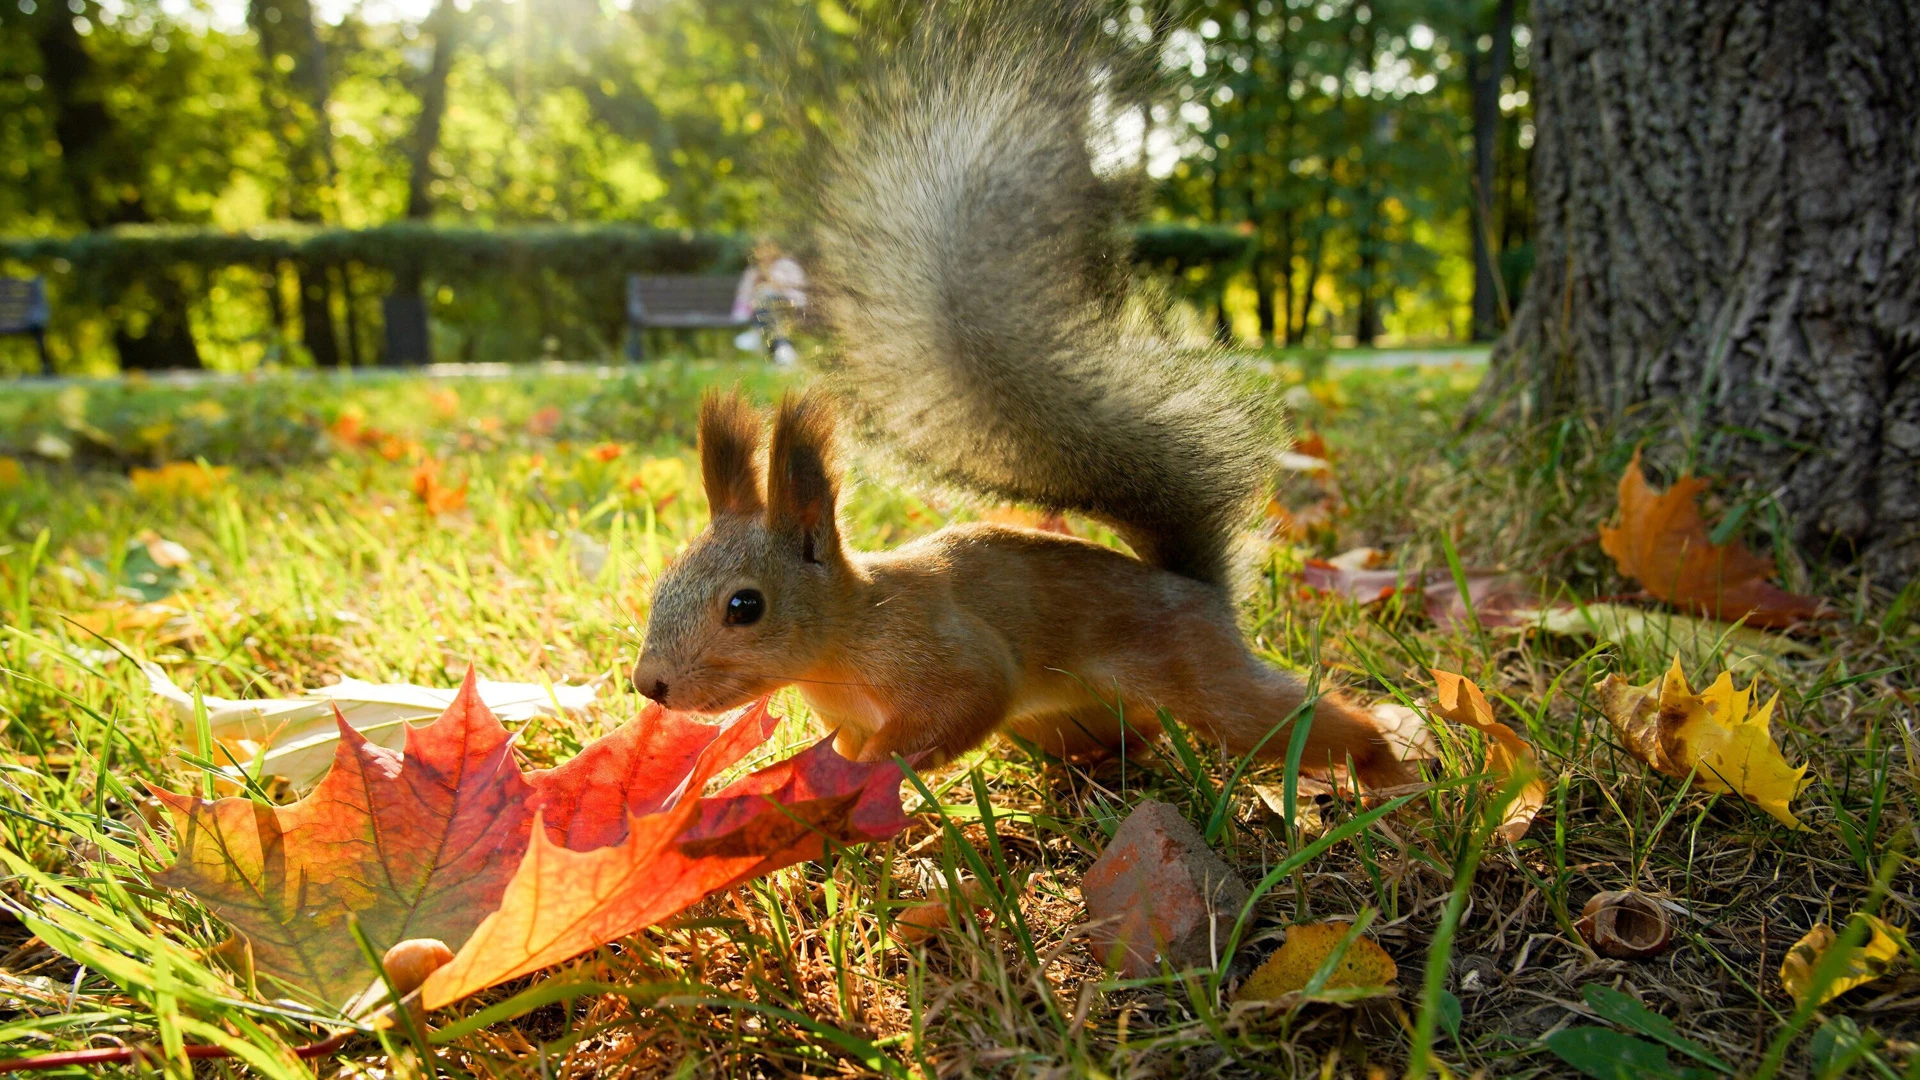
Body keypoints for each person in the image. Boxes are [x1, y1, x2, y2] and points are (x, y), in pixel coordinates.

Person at [627, 3, 1413, 787]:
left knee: (1243, 721)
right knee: (1057, 742)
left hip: (1141, 632)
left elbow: (973, 691)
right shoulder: (818, 667)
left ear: (812, 542)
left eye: (741, 613)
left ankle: (1376, 757)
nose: (656, 679)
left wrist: (875, 778)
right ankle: (1116, 754)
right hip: (1059, 689)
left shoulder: (887, 635)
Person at [731, 241, 807, 365]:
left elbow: (785, 288)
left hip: (790, 306)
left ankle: (757, 333)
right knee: (771, 315)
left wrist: (766, 277)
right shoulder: (755, 270)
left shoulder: (786, 266)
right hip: (770, 310)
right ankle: (782, 353)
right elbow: (745, 295)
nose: (763, 256)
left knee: (767, 297)